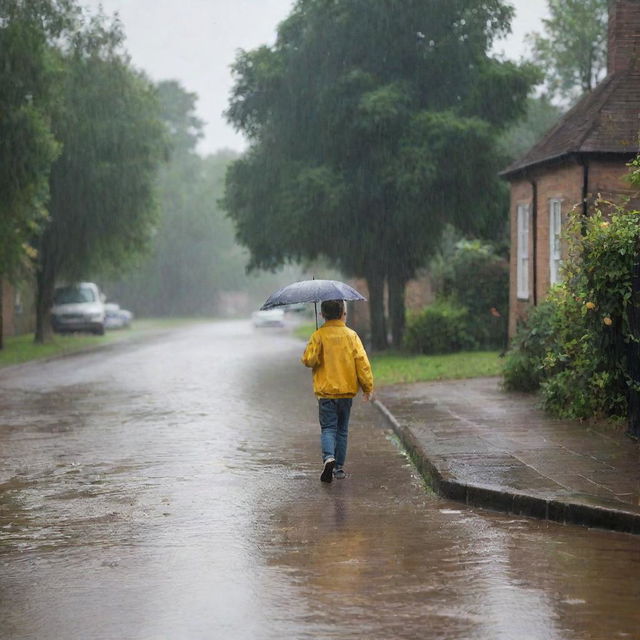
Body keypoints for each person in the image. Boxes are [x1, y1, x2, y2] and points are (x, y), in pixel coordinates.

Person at [301, 299, 374, 483]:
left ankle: (328, 458)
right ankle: (339, 468)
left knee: (328, 428)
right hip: (346, 393)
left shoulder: (319, 336)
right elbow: (362, 363)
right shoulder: (352, 336)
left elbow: (308, 360)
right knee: (342, 430)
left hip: (326, 394)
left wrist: (316, 349)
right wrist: (367, 387)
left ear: (322, 314)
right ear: (343, 313)